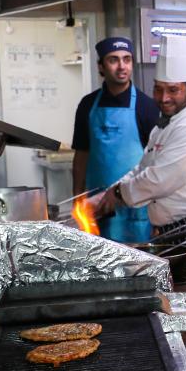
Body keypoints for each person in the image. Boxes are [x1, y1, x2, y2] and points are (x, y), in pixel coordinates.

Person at [92, 34, 186, 269]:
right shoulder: (164, 126)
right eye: (158, 89)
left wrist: (117, 194)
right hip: (176, 231)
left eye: (173, 90)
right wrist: (109, 193)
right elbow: (144, 168)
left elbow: (160, 180)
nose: (164, 98)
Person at [71, 37, 160, 243]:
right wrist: (78, 199)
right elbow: (81, 155)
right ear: (101, 67)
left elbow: (156, 162)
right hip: (96, 209)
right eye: (113, 60)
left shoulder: (147, 107)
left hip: (136, 209)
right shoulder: (87, 105)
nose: (122, 66)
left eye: (127, 59)